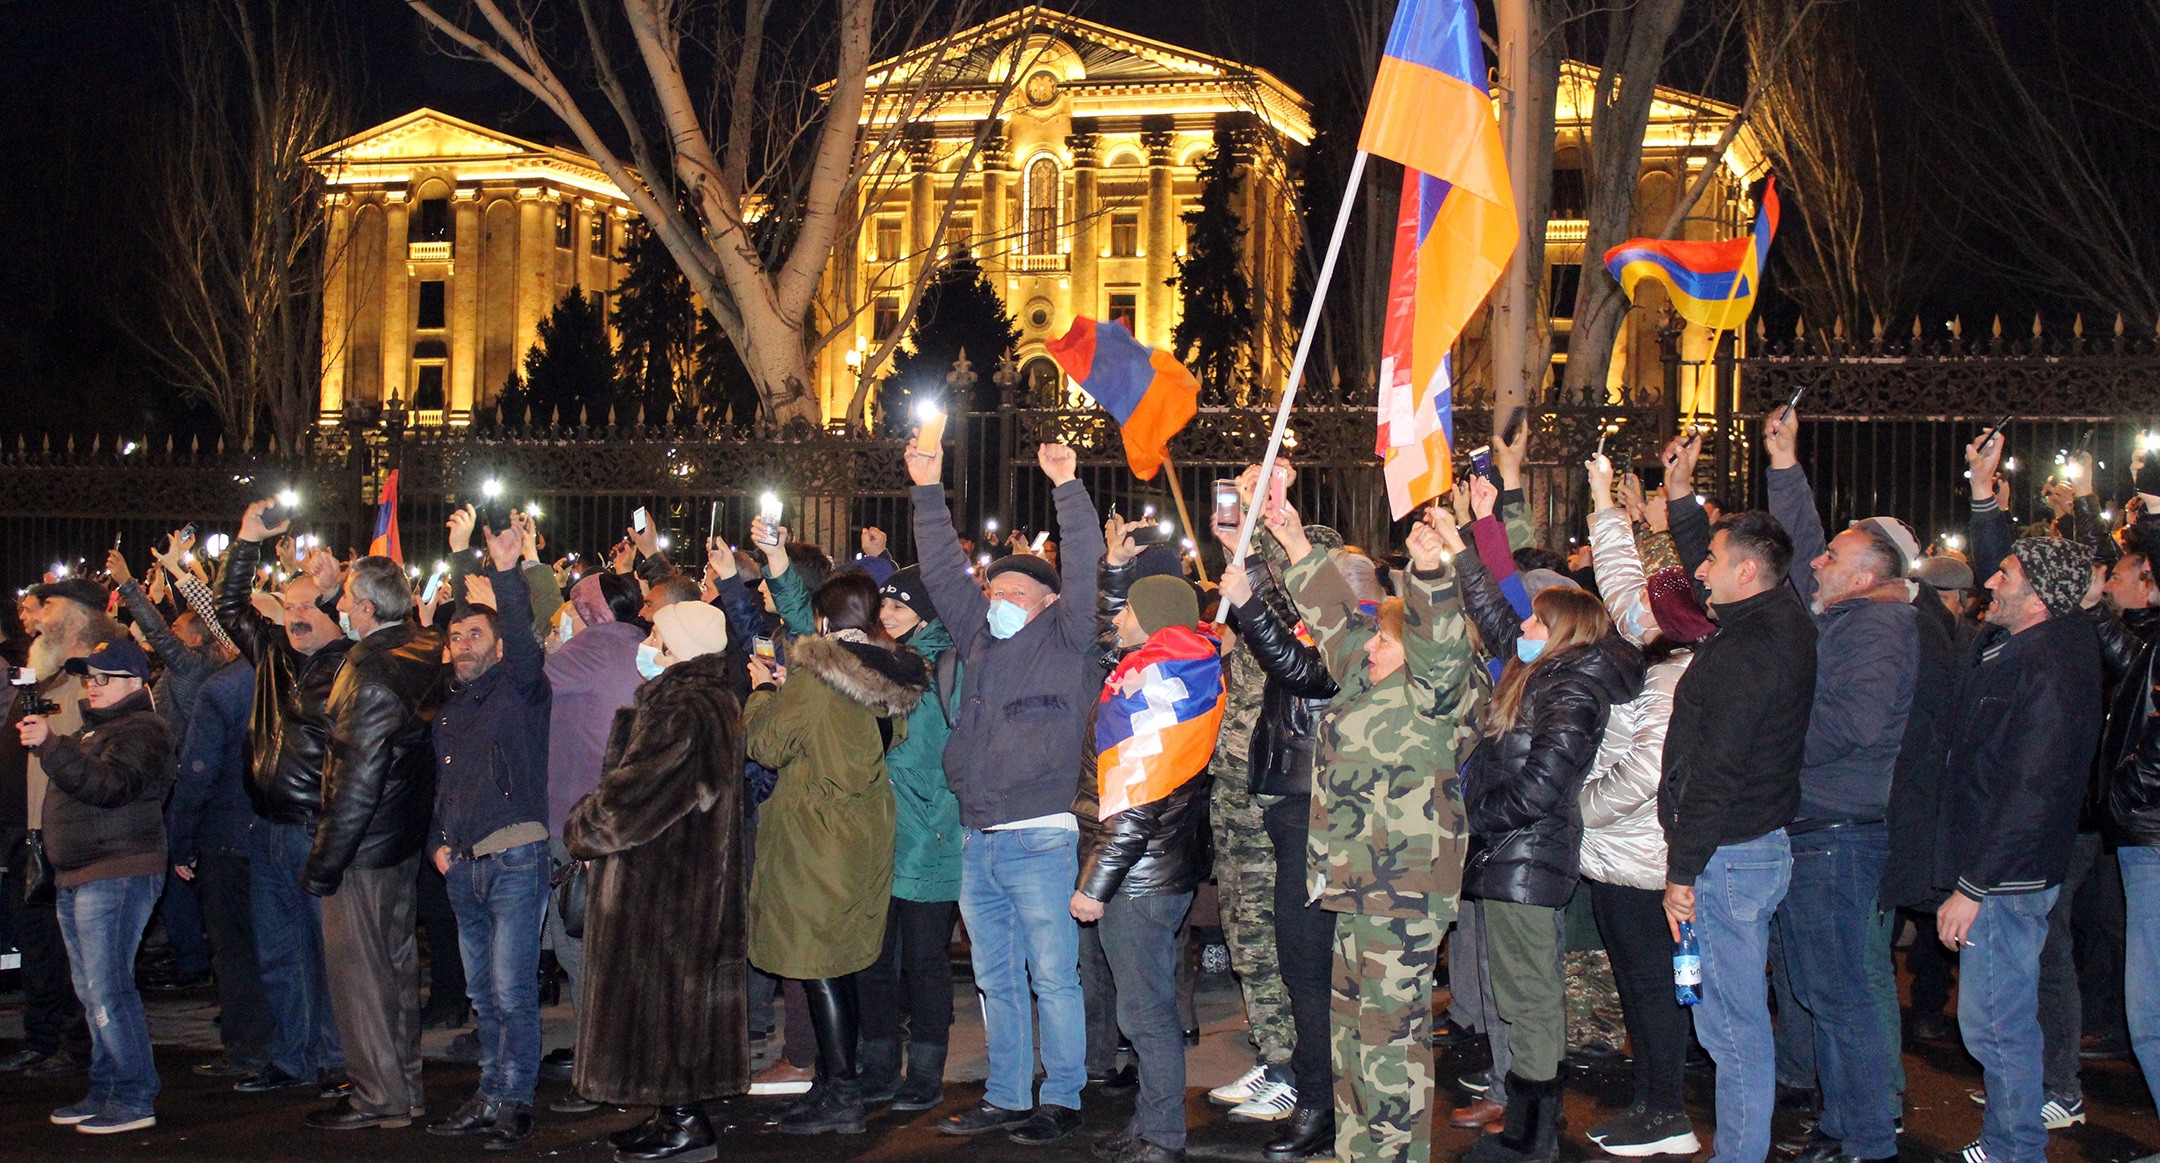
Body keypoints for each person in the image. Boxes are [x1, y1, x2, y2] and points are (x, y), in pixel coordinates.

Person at [907, 438, 1106, 1145]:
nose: (997, 601)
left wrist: (1068, 487)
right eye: (993, 592)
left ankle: (1065, 1096)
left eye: (1014, 593)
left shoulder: (1070, 640)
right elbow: (942, 572)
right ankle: (1006, 1092)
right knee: (996, 976)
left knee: (1053, 976)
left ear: (1048, 603)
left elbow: (1086, 566)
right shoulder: (980, 642)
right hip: (977, 838)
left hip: (1042, 836)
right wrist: (927, 490)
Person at [1268, 501, 1480, 1163]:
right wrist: (1292, 538)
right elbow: (1335, 620)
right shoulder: (1369, 681)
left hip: (1405, 892)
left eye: (1384, 640)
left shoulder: (1440, 692)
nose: (1369, 646)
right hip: (1358, 886)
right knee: (1351, 1037)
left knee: (1390, 1041)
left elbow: (1442, 642)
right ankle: (1358, 1149)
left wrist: (1430, 572)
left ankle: (1393, 1155)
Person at [1454, 467, 1645, 1163]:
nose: (1523, 628)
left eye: (1537, 620)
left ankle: (1532, 1137)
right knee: (1520, 993)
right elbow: (1498, 616)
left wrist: (1471, 815)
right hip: (1515, 856)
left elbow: (1541, 787)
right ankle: (1527, 1125)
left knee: (1530, 999)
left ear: (1561, 632)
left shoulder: (1569, 691)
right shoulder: (1551, 670)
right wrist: (1470, 540)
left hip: (1526, 857)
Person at [1763, 407, 1922, 1163]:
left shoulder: (1879, 629)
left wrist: (1773, 742)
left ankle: (1864, 1136)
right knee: (1823, 989)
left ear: (1864, 577)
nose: (1817, 562)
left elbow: (1856, 723)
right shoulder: (1850, 617)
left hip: (1838, 832)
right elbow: (1799, 554)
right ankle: (1844, 1125)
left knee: (1839, 993)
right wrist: (1785, 465)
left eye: (1833, 555)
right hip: (1821, 826)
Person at [1936, 527, 2102, 1163]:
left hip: (2007, 877)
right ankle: (2010, 1141)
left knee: (1997, 1025)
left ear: (2039, 596)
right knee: (1996, 1021)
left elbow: (2031, 789)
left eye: (2005, 573)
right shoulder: (2028, 648)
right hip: (2006, 871)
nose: (1990, 581)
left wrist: (1973, 886)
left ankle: (2014, 1149)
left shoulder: (2048, 666)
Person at [1659, 510, 1818, 1163]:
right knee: (1735, 1018)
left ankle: (1740, 1153)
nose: (1700, 570)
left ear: (1747, 570)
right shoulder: (1780, 621)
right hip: (1751, 845)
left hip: (1727, 855)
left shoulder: (1750, 647)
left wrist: (1682, 872)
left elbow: (1717, 770)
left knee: (1731, 1026)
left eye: (1712, 558)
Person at [745, 571, 928, 1134]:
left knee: (818, 967)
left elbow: (766, 745)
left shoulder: (816, 679)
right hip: (862, 830)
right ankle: (830, 1081)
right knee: (840, 963)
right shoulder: (886, 674)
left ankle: (842, 1094)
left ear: (823, 622)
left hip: (816, 836)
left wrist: (763, 693)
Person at [566, 600, 749, 1163]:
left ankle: (686, 1121)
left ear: (679, 649)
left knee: (668, 1001)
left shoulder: (682, 709)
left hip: (665, 884)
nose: (646, 644)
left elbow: (635, 799)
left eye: (656, 637)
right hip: (681, 877)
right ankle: (670, 1112)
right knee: (670, 1003)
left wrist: (584, 826)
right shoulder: (706, 701)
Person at [1577, 458, 1712, 1159]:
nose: (1629, 612)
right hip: (1623, 855)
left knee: (1652, 990)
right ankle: (1651, 1103)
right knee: (1639, 987)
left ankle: (1666, 1112)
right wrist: (1604, 502)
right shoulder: (1658, 654)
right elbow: (1622, 581)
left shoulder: (1672, 675)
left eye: (1647, 605)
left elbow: (1646, 774)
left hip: (1640, 859)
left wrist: (1579, 808)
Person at [1074, 572, 1223, 1163]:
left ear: (1152, 616)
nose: (1118, 617)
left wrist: (1094, 886)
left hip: (1138, 878)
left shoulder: (1150, 691)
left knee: (1146, 1014)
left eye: (1128, 608)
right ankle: (1148, 1124)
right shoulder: (1169, 674)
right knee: (1146, 1007)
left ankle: (1162, 1136)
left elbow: (1134, 804)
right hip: (1156, 871)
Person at [1215, 503, 1346, 1160]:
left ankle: (1307, 1082)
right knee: (1261, 941)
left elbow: (1301, 667)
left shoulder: (1331, 626)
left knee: (1301, 957)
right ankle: (1288, 1069)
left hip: (1303, 801)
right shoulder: (1266, 619)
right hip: (1258, 790)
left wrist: (1254, 573)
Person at [302, 553, 448, 1131]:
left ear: (366, 609)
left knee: (360, 976)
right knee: (394, 967)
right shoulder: (418, 651)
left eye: (345, 600)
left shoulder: (370, 674)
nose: (338, 608)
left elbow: (354, 778)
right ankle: (402, 1088)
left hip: (364, 845)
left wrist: (325, 861)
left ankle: (376, 1095)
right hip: (399, 838)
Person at [214, 503, 353, 1097]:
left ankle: (337, 1059)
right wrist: (246, 541)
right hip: (266, 827)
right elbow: (228, 609)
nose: (295, 617)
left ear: (334, 612)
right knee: (278, 950)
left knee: (327, 951)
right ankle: (291, 1056)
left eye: (308, 607)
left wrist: (339, 585)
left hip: (317, 828)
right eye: (289, 607)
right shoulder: (270, 654)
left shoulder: (352, 664)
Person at [427, 515, 553, 1149]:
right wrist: (438, 846)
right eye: (455, 636)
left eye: (475, 634)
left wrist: (505, 572)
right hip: (464, 865)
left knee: (512, 991)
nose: (463, 643)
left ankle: (515, 1099)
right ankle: (489, 1091)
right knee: (483, 994)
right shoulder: (450, 710)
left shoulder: (521, 689)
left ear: (498, 646)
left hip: (514, 859)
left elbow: (525, 643)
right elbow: (443, 786)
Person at [23, 634, 175, 1134]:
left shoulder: (144, 730)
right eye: (90, 677)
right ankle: (108, 1089)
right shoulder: (100, 731)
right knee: (93, 992)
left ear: (135, 682)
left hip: (117, 872)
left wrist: (52, 747)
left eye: (104, 678)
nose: (93, 685)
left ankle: (133, 1095)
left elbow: (110, 787)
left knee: (108, 990)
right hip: (85, 874)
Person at [538, 569, 645, 1095]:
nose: (567, 610)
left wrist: (547, 642)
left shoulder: (594, 647)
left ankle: (599, 1060)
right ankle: (618, 1050)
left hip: (580, 820)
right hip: (623, 817)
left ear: (593, 610)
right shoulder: (640, 645)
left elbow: (525, 683)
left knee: (578, 943)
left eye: (574, 602)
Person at [0, 579, 107, 1078]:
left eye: (50, 606)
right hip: (27, 828)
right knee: (39, 942)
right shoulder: (44, 675)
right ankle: (42, 1037)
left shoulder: (93, 677)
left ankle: (77, 1043)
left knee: (71, 949)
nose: (38, 616)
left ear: (79, 616)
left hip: (66, 832)